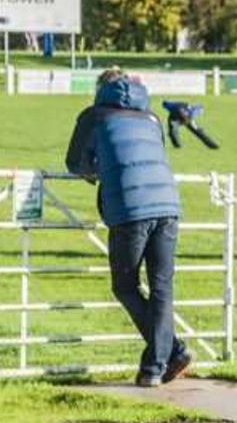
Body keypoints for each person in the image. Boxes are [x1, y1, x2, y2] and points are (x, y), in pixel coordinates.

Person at [64, 69, 189, 386]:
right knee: (162, 287)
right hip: (168, 204)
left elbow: (75, 162)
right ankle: (161, 360)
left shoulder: (94, 116)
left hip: (130, 207)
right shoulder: (150, 117)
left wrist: (97, 171)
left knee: (125, 285)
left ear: (99, 89)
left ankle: (164, 358)